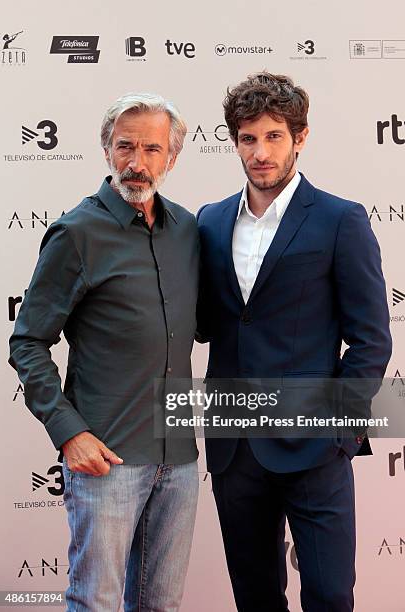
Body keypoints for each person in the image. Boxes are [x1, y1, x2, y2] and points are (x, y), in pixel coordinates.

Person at [196, 72, 392, 612]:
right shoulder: (209, 222)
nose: (260, 152)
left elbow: (372, 340)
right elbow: (209, 322)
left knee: (330, 596)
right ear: (234, 141)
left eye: (273, 136)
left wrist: (340, 428)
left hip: (315, 448)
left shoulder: (338, 219)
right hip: (235, 449)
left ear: (299, 137)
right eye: (248, 138)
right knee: (256, 598)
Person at [9, 93, 199, 612]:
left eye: (152, 149)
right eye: (125, 146)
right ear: (106, 150)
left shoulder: (188, 231)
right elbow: (27, 341)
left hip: (179, 459)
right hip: (106, 461)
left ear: (173, 157)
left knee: (160, 604)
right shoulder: (77, 233)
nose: (137, 163)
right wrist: (69, 433)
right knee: (96, 602)